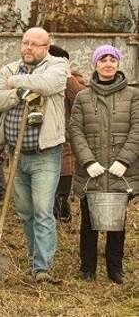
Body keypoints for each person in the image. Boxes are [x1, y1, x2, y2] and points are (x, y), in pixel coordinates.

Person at [0, 27, 68, 283]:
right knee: (25, 211)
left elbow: (48, 84)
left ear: (46, 47)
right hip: (16, 153)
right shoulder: (11, 68)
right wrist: (21, 92)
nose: (29, 48)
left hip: (45, 153)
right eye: (25, 43)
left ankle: (42, 268)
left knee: (43, 210)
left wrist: (15, 85)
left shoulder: (58, 65)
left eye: (35, 44)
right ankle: (35, 260)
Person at [69, 45, 138, 284]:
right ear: (95, 64)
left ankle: (114, 268)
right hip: (93, 170)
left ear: (118, 64)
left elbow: (137, 130)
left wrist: (124, 160)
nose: (108, 64)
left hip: (120, 171)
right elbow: (76, 131)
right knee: (89, 220)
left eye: (112, 60)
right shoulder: (83, 97)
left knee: (116, 222)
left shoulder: (133, 95)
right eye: (103, 60)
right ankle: (87, 267)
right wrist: (88, 161)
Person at [48, 44, 86, 222]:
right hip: (44, 137)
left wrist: (69, 77)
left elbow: (82, 100)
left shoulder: (75, 79)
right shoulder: (41, 78)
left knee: (63, 176)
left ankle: (62, 207)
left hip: (65, 139)